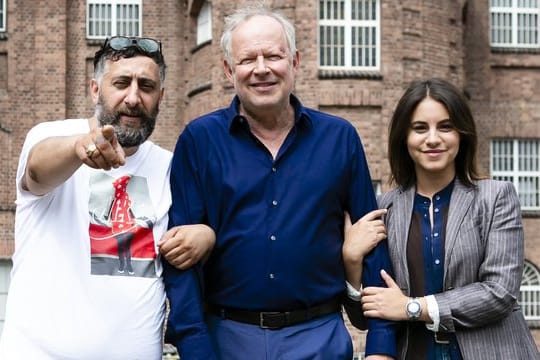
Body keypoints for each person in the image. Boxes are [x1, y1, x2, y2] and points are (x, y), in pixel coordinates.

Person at [163, 4, 397, 359]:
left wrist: (381, 347)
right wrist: (196, 348)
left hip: (319, 338)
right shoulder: (199, 141)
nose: (261, 69)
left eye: (273, 55)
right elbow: (179, 259)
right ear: (228, 70)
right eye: (247, 60)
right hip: (227, 339)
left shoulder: (340, 139)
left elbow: (374, 244)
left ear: (295, 63)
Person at [0, 36, 215, 359]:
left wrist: (206, 235)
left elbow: (190, 234)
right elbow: (37, 173)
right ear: (95, 89)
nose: (133, 97)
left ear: (161, 97)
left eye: (146, 86)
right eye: (121, 83)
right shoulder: (49, 136)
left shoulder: (170, 166)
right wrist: (77, 149)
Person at [346, 78, 540, 359]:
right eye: (420, 128)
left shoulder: (496, 198)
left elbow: (499, 293)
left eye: (446, 127)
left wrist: (412, 307)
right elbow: (368, 318)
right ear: (405, 137)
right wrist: (351, 263)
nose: (433, 139)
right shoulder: (383, 209)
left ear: (462, 134)